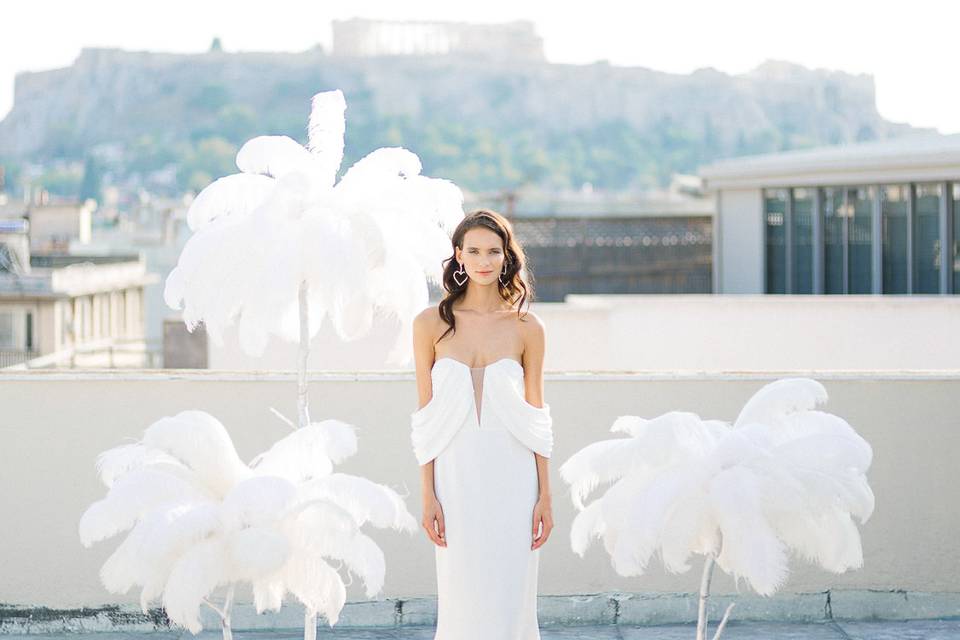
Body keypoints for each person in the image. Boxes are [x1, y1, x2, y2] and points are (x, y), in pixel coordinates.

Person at [410, 209, 555, 639]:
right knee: (460, 592)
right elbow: (426, 419)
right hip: (455, 481)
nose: (483, 260)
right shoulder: (428, 324)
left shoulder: (527, 327)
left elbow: (537, 419)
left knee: (510, 594)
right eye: (473, 250)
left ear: (507, 257)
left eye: (494, 251)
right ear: (458, 255)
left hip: (514, 479)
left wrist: (545, 497)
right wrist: (428, 494)